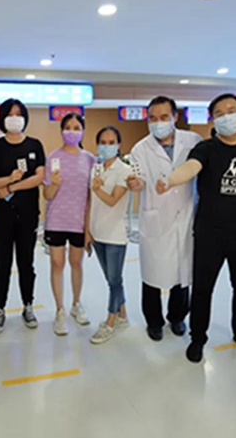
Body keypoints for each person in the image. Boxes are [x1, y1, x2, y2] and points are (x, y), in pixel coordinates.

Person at [167, 93, 236, 364]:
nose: (226, 116)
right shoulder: (206, 148)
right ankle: (198, 338)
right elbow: (190, 167)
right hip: (210, 233)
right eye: (219, 113)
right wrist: (170, 179)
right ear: (212, 119)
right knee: (202, 289)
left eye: (231, 110)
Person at [128, 96, 202, 342]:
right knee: (152, 276)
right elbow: (139, 180)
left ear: (175, 117)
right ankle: (154, 322)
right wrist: (136, 184)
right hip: (156, 217)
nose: (157, 122)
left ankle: (177, 317)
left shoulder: (193, 141)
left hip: (186, 216)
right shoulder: (140, 149)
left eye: (163, 117)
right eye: (152, 118)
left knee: (182, 275)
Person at [0, 99, 46, 334]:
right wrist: (9, 178)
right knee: (3, 264)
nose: (15, 118)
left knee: (26, 263)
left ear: (25, 118)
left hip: (28, 214)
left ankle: (28, 306)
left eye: (19, 114)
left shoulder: (34, 145)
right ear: (2, 119)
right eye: (10, 114)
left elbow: (38, 177)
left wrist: (10, 187)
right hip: (2, 216)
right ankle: (0, 309)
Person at [43, 113, 95, 336]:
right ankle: (60, 310)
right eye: (68, 127)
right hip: (56, 220)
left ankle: (76, 304)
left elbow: (90, 196)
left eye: (76, 127)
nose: (72, 131)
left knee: (76, 263)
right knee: (57, 264)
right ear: (61, 130)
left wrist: (88, 228)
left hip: (78, 222)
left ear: (82, 131)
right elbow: (47, 194)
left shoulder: (89, 159)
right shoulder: (53, 157)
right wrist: (54, 184)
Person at [88, 126, 133, 344]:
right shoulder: (96, 169)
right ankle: (123, 315)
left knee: (114, 280)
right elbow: (91, 203)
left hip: (115, 235)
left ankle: (110, 322)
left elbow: (113, 200)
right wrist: (88, 231)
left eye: (111, 142)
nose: (107, 146)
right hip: (97, 233)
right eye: (103, 142)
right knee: (112, 279)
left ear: (119, 145)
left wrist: (97, 189)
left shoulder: (124, 170)